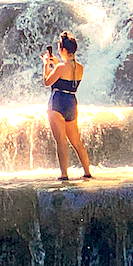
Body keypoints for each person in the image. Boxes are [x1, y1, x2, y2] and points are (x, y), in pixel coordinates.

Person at [42, 32, 93, 181]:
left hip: (57, 101)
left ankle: (64, 174)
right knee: (76, 140)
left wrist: (46, 64)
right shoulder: (80, 67)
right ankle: (87, 171)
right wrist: (56, 63)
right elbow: (66, 74)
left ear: (63, 50)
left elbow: (47, 82)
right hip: (71, 101)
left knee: (61, 141)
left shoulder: (59, 67)